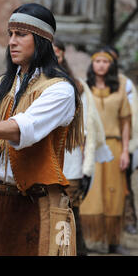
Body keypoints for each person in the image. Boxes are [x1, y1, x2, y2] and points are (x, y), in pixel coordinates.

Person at [0, 3, 84, 256]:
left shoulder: (60, 89)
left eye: (21, 34)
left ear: (42, 40)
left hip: (39, 204)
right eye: (10, 34)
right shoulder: (0, 85)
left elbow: (22, 130)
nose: (12, 41)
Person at [53, 39, 113, 256]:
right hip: (43, 159)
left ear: (63, 56)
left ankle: (73, 251)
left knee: (68, 211)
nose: (54, 58)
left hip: (70, 161)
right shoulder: (34, 83)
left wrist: (87, 166)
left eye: (57, 54)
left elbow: (87, 127)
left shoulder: (77, 86)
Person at [79, 49, 132, 255]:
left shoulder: (119, 89)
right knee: (88, 193)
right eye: (97, 61)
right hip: (89, 146)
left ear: (111, 65)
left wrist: (126, 151)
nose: (100, 65)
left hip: (114, 146)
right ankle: (83, 239)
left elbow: (125, 122)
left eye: (105, 61)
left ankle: (113, 241)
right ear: (92, 64)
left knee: (114, 194)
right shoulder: (84, 88)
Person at [104, 46, 138, 236]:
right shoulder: (94, 83)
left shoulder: (125, 85)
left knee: (124, 185)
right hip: (102, 142)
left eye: (111, 60)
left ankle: (129, 220)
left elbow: (132, 117)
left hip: (122, 142)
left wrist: (130, 146)